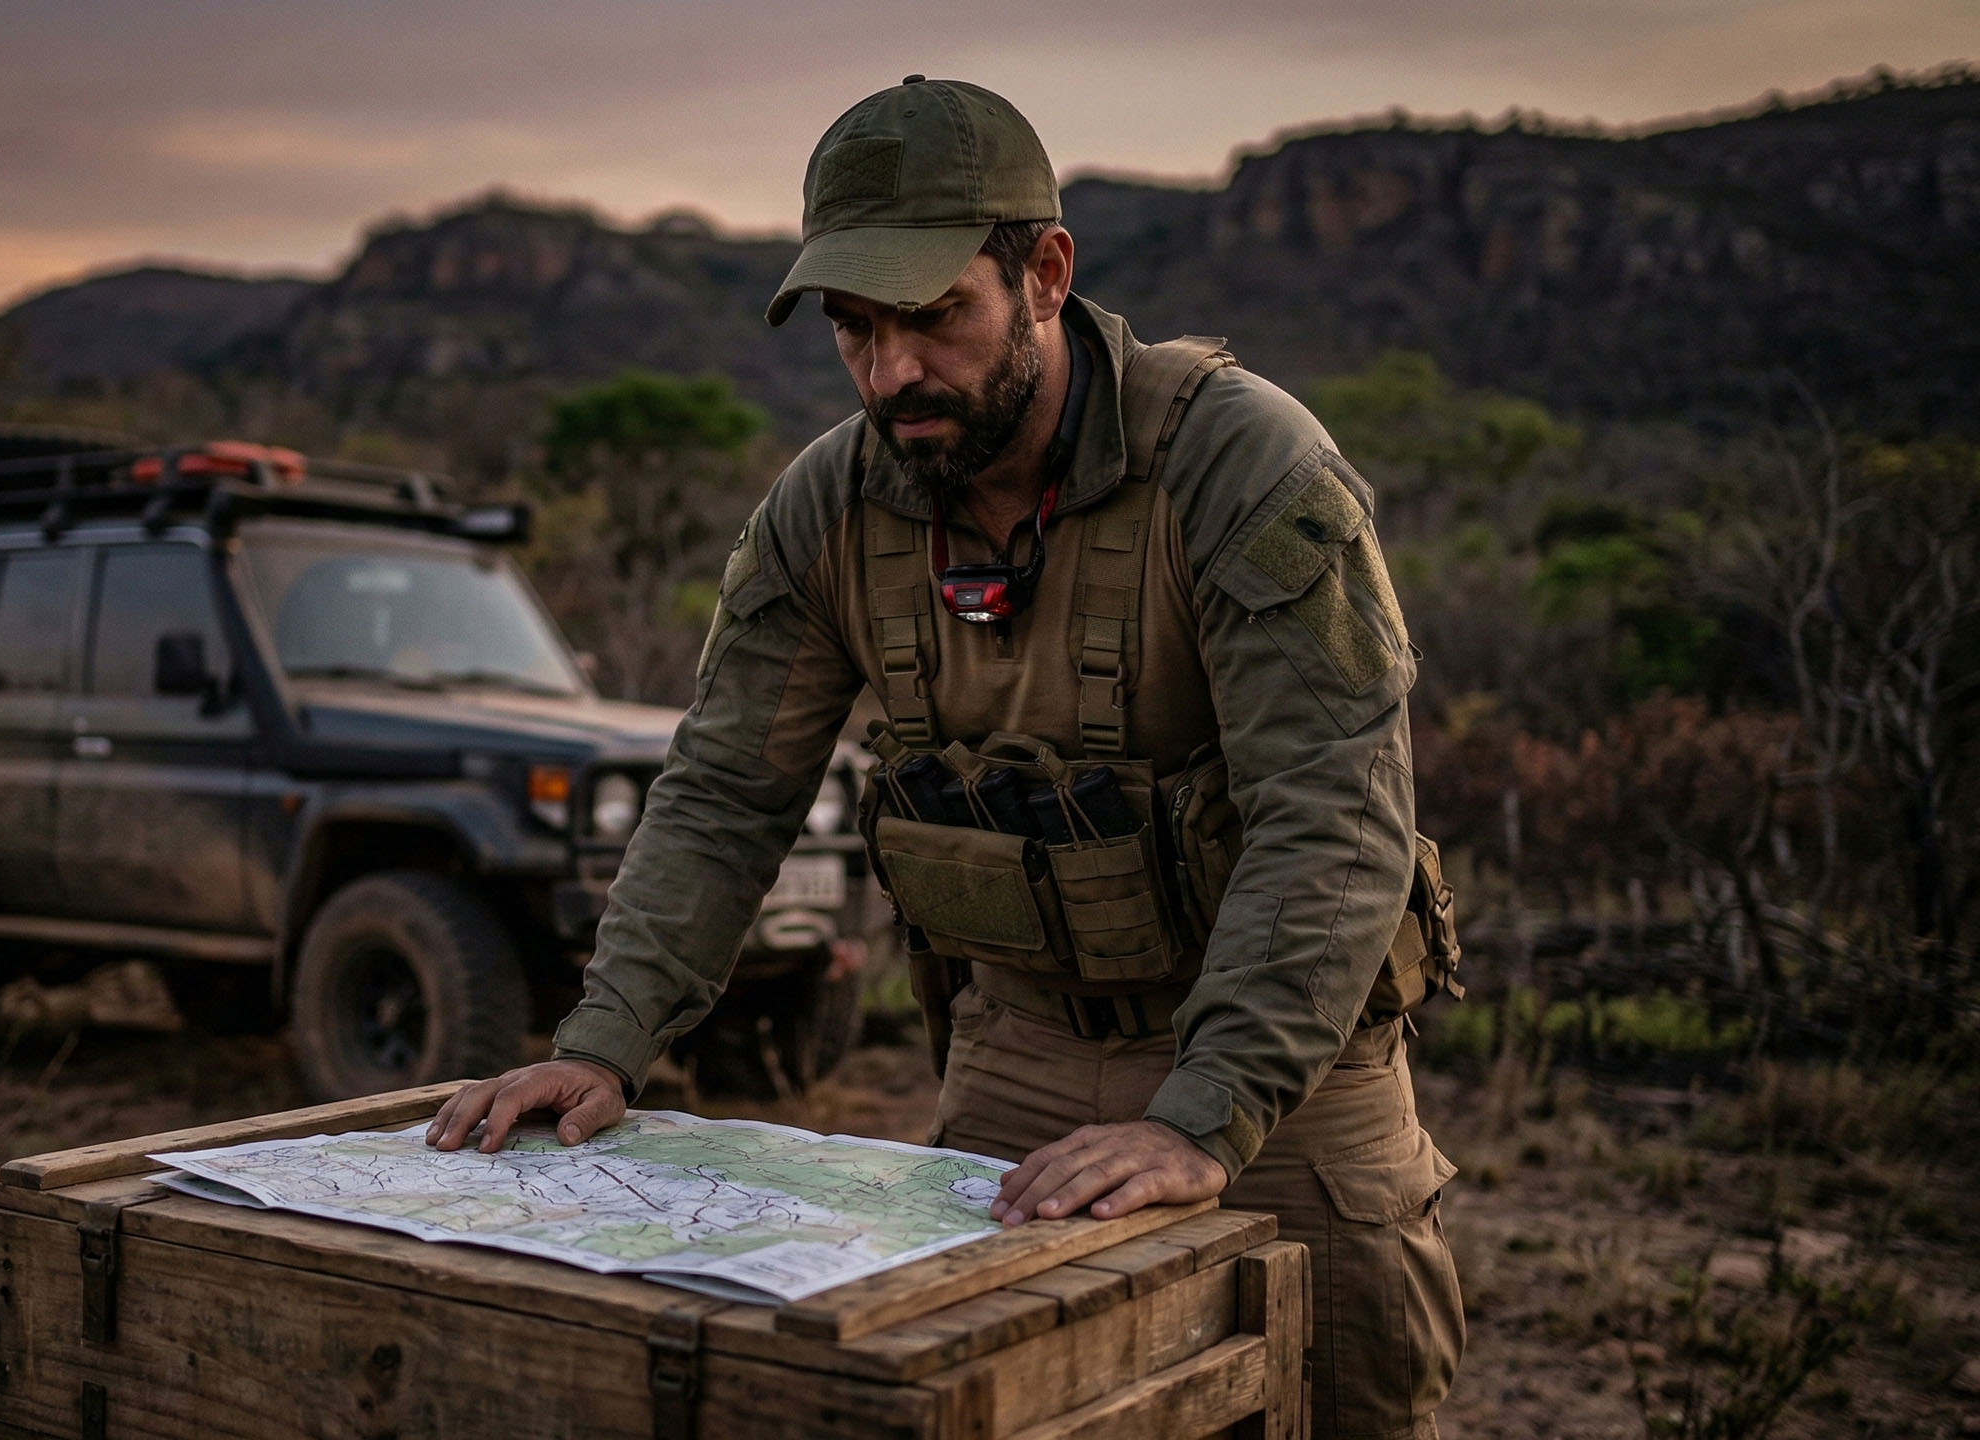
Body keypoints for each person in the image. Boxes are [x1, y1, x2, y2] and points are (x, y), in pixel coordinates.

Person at [428, 76, 1463, 1439]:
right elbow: (729, 789)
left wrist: (1199, 1119)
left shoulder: (1238, 466)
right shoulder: (829, 508)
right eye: (856, 330)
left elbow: (1332, 818)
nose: (891, 371)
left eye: (933, 318)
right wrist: (608, 1041)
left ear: (1045, 273)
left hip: (1288, 1079)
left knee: (1343, 1406)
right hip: (1017, 1058)